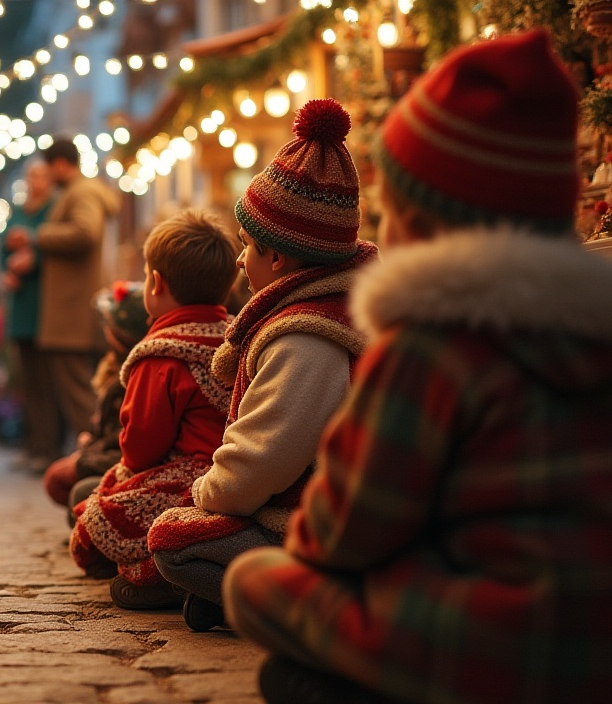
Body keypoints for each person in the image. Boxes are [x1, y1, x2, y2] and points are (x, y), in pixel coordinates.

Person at [225, 31, 612, 704]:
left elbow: (340, 532)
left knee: (253, 582)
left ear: (420, 222)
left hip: (494, 648)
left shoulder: (428, 347)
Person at [147, 99, 378, 632]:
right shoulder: (330, 312)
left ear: (278, 258)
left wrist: (206, 496)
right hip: (320, 519)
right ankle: (245, 597)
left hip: (313, 528)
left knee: (172, 544)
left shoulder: (306, 336)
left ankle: (295, 608)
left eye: (246, 246)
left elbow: (264, 458)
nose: (239, 261)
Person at [69, 210, 237, 610]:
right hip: (234, 474)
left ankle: (159, 578)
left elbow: (141, 449)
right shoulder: (236, 336)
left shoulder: (159, 355)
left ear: (156, 283)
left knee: (95, 510)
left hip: (190, 479)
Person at [16, 138, 118, 457]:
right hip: (71, 309)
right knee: (80, 389)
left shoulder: (81, 192)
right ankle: (95, 453)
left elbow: (86, 231)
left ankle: (97, 456)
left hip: (72, 310)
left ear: (60, 164)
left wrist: (38, 235)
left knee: (78, 393)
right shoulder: (79, 191)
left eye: (48, 167)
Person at [40, 281, 150, 513]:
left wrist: (88, 453)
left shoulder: (128, 378)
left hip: (121, 464)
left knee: (60, 480)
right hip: (107, 454)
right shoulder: (113, 366)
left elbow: (121, 441)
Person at [0, 162, 57, 473]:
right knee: (27, 381)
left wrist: (32, 252)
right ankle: (32, 444)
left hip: (43, 304)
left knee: (47, 381)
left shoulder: (54, 209)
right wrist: (7, 268)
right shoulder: (18, 211)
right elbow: (2, 250)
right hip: (20, 304)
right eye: (31, 176)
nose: (35, 181)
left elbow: (54, 248)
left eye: (40, 176)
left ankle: (48, 448)